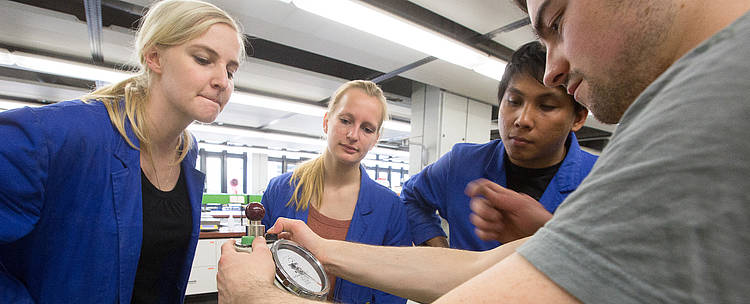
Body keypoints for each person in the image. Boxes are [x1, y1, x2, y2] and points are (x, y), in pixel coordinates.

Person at [216, 0, 750, 303]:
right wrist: (324, 251)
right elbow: (490, 267)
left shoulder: (717, 106)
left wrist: (256, 297)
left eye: (558, 22)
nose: (555, 67)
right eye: (515, 99)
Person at [0, 0, 245, 303]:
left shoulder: (185, 153)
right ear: (154, 57)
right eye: (203, 59)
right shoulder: (57, 136)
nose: (222, 81)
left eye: (231, 71)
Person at [404, 41, 596, 250]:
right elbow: (411, 197)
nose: (523, 119)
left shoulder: (602, 181)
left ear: (578, 118)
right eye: (514, 101)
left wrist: (550, 239)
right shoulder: (461, 164)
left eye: (546, 106)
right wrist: (439, 249)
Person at [259, 80, 410, 303]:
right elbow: (260, 270)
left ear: (376, 138)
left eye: (367, 129)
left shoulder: (390, 208)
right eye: (346, 120)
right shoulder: (280, 191)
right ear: (326, 121)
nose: (353, 134)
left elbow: (394, 291)